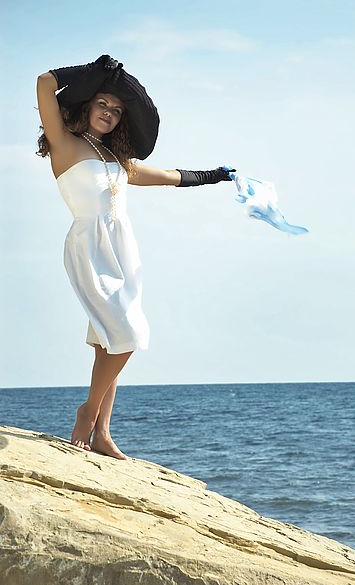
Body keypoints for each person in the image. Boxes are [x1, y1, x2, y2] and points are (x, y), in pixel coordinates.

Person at [36, 55, 235, 460]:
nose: (108, 114)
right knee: (128, 334)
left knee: (107, 343)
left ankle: (102, 434)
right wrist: (93, 70)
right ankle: (87, 412)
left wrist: (213, 175)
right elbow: (43, 82)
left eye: (116, 110)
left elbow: (168, 177)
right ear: (88, 104)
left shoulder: (117, 161)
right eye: (102, 104)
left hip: (123, 251)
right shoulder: (64, 142)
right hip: (89, 247)